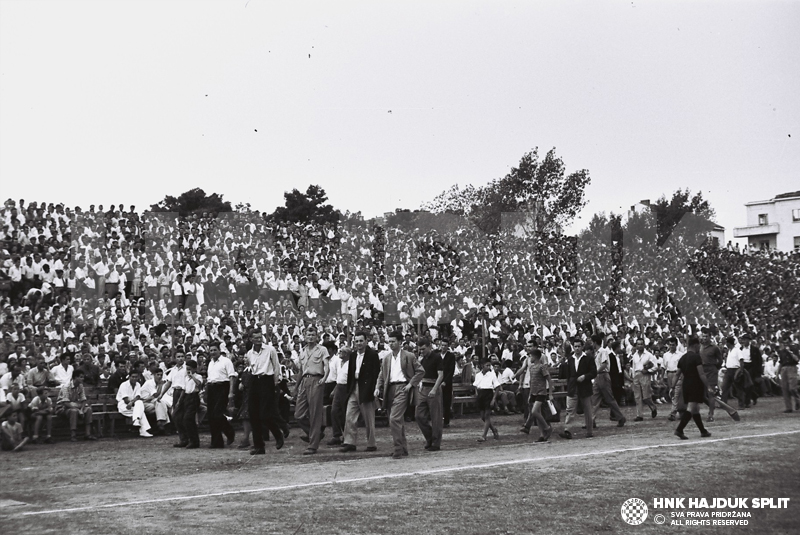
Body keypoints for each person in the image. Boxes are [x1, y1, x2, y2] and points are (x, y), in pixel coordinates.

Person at [374, 330, 424, 459]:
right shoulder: (386, 358)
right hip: (389, 389)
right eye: (389, 341)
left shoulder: (409, 356)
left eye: (393, 341)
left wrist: (410, 384)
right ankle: (403, 448)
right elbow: (381, 374)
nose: (390, 344)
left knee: (394, 419)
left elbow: (420, 371)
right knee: (397, 420)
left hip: (403, 388)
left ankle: (397, 449)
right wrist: (377, 387)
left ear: (400, 342)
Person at [340, 331, 380, 453]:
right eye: (356, 341)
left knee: (368, 418)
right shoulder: (352, 355)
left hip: (366, 388)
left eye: (361, 341)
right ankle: (349, 442)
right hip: (354, 387)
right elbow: (351, 374)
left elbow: (375, 373)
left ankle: (371, 443)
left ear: (366, 341)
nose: (359, 343)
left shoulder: (372, 354)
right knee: (349, 416)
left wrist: (373, 390)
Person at [246, 333, 284, 455]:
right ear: (251, 339)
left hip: (267, 380)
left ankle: (278, 434)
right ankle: (259, 446)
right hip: (254, 381)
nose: (258, 340)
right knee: (253, 414)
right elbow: (250, 368)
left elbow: (276, 367)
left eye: (260, 337)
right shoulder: (249, 353)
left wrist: (274, 384)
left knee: (265, 414)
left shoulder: (270, 349)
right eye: (255, 337)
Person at [294, 326, 330, 455]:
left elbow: (327, 366)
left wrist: (324, 379)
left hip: (316, 380)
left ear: (317, 336)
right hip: (304, 381)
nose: (310, 337)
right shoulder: (302, 351)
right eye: (308, 335)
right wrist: (297, 387)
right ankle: (315, 434)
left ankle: (313, 445)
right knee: (298, 414)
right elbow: (300, 371)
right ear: (304, 336)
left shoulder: (322, 349)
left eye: (313, 335)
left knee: (315, 413)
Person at [674, 335, 712, 440]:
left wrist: (672, 387)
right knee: (691, 408)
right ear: (695, 345)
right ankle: (679, 429)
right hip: (695, 385)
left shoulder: (683, 358)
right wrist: (708, 386)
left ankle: (703, 431)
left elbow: (677, 374)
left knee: (695, 409)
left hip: (685, 385)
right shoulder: (696, 357)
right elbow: (701, 374)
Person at [559, 342, 597, 439]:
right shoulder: (570, 359)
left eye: (579, 346)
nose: (577, 348)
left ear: (582, 347)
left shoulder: (588, 358)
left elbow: (594, 372)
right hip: (573, 387)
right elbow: (568, 374)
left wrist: (585, 376)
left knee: (587, 410)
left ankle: (589, 431)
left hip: (584, 387)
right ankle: (567, 430)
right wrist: (570, 384)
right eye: (575, 346)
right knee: (570, 409)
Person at [518, 347, 554, 442]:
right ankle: (542, 434)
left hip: (541, 392)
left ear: (536, 357)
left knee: (534, 412)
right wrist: (530, 394)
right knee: (537, 413)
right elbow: (531, 382)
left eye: (531, 356)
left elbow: (549, 380)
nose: (530, 358)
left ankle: (547, 427)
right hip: (534, 392)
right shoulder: (531, 368)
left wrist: (550, 393)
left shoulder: (542, 367)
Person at [590, 335, 626, 429]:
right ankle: (591, 420)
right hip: (598, 376)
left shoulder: (603, 351)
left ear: (594, 342)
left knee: (609, 398)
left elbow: (604, 364)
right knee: (595, 399)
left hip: (603, 375)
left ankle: (620, 417)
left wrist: (595, 372)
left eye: (592, 342)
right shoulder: (597, 352)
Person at [415, 337, 444, 452]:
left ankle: (436, 443)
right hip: (423, 388)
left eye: (423, 349)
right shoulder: (422, 360)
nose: (421, 351)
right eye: (420, 349)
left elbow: (440, 375)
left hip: (433, 387)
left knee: (435, 417)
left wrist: (434, 389)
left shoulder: (437, 357)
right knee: (419, 415)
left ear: (429, 346)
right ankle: (430, 437)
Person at [206, 344, 236, 448]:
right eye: (211, 350)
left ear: (219, 350)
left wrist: (231, 392)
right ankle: (217, 442)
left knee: (217, 414)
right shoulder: (210, 363)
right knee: (211, 416)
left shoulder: (226, 361)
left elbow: (232, 377)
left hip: (222, 387)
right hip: (211, 388)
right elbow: (210, 379)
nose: (213, 352)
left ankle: (229, 432)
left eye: (215, 350)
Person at [56, 369, 97, 441]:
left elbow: (84, 400)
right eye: (81, 377)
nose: (82, 379)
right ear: (75, 377)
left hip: (76, 405)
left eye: (83, 377)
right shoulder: (66, 386)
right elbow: (65, 403)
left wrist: (81, 410)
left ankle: (88, 434)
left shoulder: (80, 386)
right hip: (62, 408)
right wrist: (78, 409)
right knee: (74, 411)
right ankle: (73, 435)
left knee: (88, 409)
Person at [116, 370, 153, 437]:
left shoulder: (138, 384)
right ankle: (143, 430)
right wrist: (131, 403)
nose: (134, 378)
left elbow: (138, 396)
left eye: (136, 377)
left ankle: (136, 420)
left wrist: (132, 402)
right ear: (129, 377)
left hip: (133, 406)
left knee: (139, 402)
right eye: (132, 377)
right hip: (124, 406)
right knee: (141, 411)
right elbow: (125, 400)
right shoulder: (123, 385)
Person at [325, 343, 349, 447]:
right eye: (339, 351)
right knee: (334, 411)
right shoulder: (339, 362)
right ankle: (337, 435)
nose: (339, 353)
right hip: (338, 387)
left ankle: (346, 436)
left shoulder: (348, 363)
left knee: (344, 413)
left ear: (347, 354)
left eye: (342, 352)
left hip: (345, 388)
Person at [630, 338, 658, 421]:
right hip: (636, 375)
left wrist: (648, 371)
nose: (640, 346)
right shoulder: (634, 355)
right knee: (637, 396)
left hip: (645, 375)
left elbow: (655, 366)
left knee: (646, 396)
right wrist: (633, 377)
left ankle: (653, 407)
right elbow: (634, 367)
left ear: (644, 345)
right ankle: (639, 415)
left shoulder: (649, 355)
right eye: (638, 344)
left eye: (641, 344)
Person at [473, 360, 500, 442]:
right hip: (481, 394)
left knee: (487, 415)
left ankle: (483, 436)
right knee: (483, 416)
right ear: (482, 366)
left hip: (488, 394)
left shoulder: (492, 375)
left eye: (489, 365)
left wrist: (493, 399)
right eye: (486, 365)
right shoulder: (478, 375)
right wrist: (477, 393)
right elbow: (475, 385)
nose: (488, 367)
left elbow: (497, 387)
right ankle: (494, 429)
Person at [699, 331, 723, 422]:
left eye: (706, 336)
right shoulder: (700, 347)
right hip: (701, 370)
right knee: (700, 394)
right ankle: (712, 406)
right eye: (703, 336)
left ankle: (711, 414)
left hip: (711, 370)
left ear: (710, 337)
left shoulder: (714, 348)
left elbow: (720, 360)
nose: (704, 338)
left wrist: (715, 368)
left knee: (711, 392)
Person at [182, 360, 203, 449]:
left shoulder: (198, 376)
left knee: (188, 418)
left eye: (190, 369)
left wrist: (192, 376)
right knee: (187, 420)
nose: (188, 371)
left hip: (194, 397)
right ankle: (192, 440)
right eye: (187, 369)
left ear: (194, 369)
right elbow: (184, 389)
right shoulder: (186, 377)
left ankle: (194, 441)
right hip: (187, 397)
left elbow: (199, 384)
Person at [776, 338, 800, 413]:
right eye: (784, 342)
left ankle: (798, 401)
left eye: (787, 342)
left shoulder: (794, 349)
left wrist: (790, 351)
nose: (785, 344)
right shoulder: (781, 351)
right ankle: (788, 407)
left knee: (792, 388)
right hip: (784, 368)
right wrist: (777, 373)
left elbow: (797, 359)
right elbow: (780, 362)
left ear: (790, 342)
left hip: (792, 367)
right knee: (785, 388)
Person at [662, 337, 682, 421]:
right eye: (670, 345)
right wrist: (662, 377)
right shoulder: (665, 355)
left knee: (676, 393)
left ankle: (673, 413)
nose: (671, 346)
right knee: (672, 393)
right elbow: (663, 367)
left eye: (673, 345)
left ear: (676, 345)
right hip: (669, 374)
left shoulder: (680, 355)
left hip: (677, 374)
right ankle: (681, 411)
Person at [439, 338, 457, 428]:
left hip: (447, 382)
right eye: (442, 345)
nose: (443, 347)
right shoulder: (437, 355)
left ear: (448, 346)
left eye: (445, 345)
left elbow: (451, 370)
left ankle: (446, 421)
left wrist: (445, 381)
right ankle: (437, 420)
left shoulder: (451, 356)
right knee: (438, 402)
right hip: (437, 381)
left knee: (446, 402)